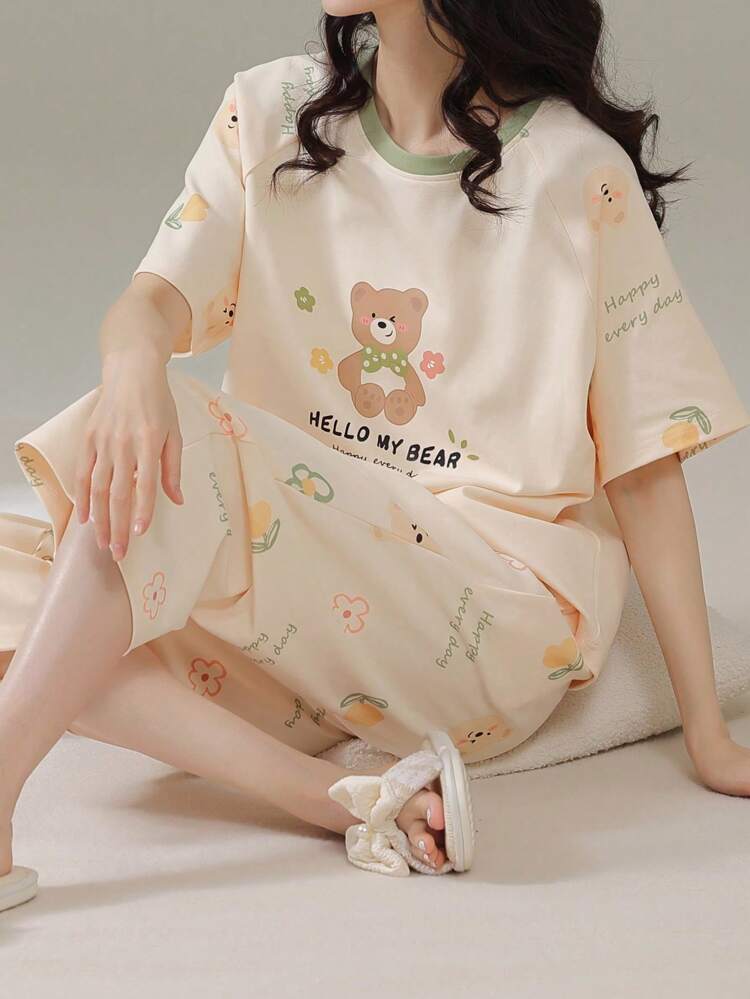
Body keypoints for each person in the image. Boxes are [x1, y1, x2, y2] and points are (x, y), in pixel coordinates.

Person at [1, 0, 749, 898]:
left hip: (485, 608)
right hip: (301, 596)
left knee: (181, 442)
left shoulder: (575, 173)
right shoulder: (272, 114)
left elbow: (645, 465)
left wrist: (708, 733)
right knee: (39, 558)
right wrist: (132, 367)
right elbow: (153, 298)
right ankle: (339, 798)